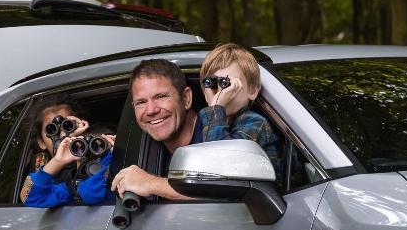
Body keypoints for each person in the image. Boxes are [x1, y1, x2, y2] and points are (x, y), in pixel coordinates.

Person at [110, 55, 278, 201]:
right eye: (141, 102)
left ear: (186, 98)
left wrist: (150, 183)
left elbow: (223, 189)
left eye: (161, 96)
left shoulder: (228, 131)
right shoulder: (139, 150)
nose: (151, 110)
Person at [20, 96, 115, 207]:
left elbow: (92, 193)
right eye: (51, 130)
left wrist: (86, 138)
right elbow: (29, 198)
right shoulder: (69, 185)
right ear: (41, 142)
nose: (62, 135)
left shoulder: (107, 159)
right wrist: (58, 161)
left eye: (68, 125)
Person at [197, 43, 280, 171]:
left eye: (226, 84)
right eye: (212, 83)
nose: (220, 91)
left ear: (252, 91)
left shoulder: (255, 122)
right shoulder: (211, 124)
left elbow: (221, 165)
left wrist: (216, 107)